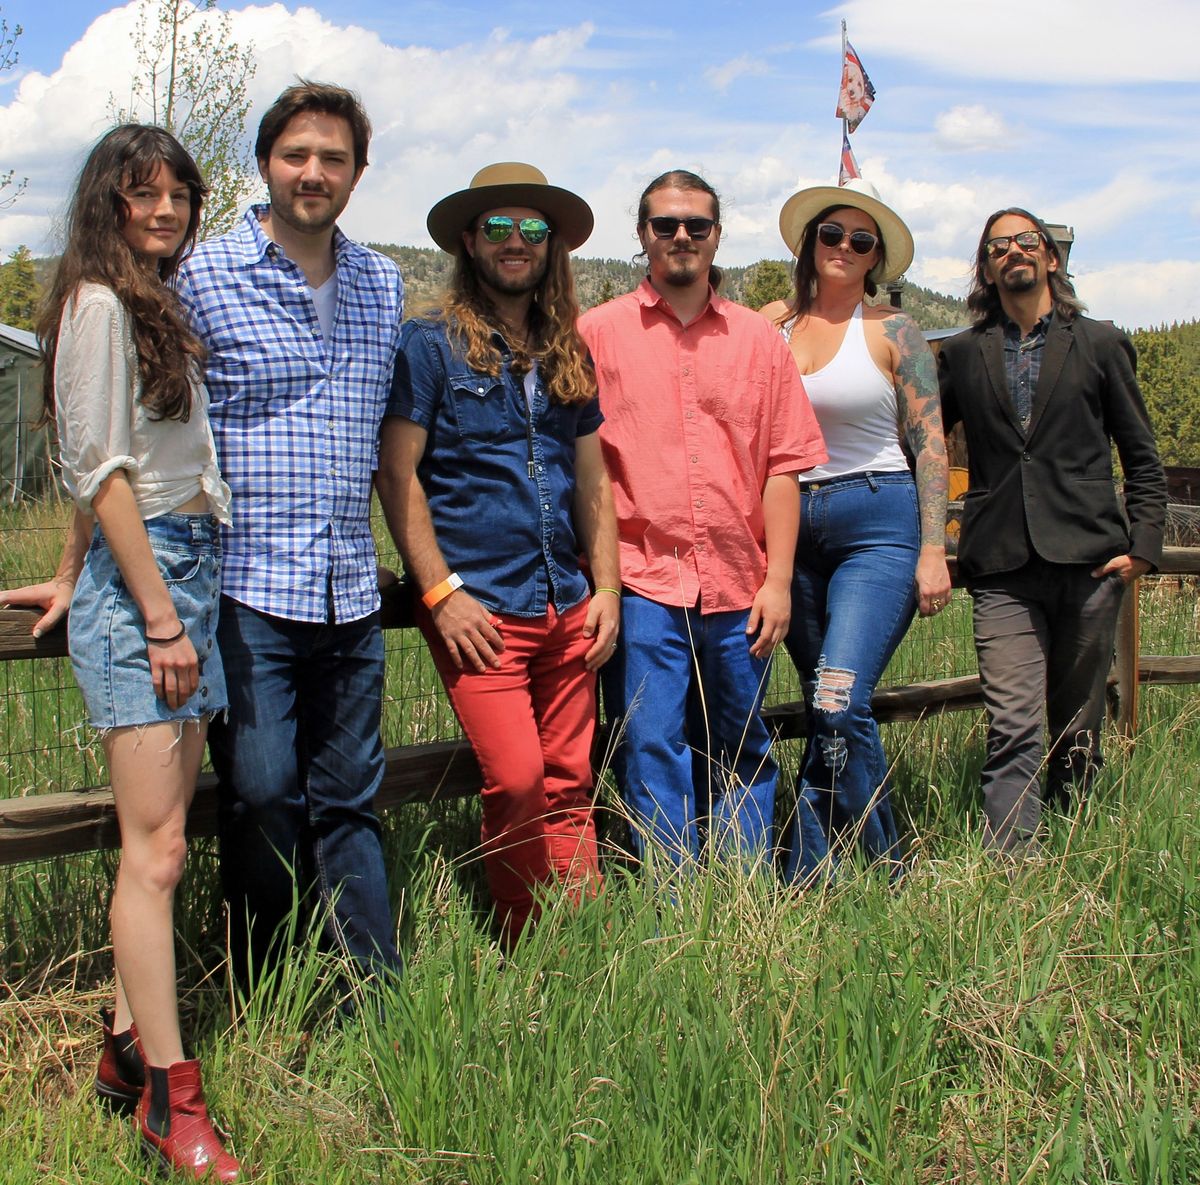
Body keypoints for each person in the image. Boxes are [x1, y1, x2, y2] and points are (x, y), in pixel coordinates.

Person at [0, 126, 240, 1179]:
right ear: (107, 203)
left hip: (181, 566)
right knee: (158, 855)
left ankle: (120, 1049)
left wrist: (72, 568)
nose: (167, 211)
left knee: (168, 837)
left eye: (180, 194)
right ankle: (169, 1104)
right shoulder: (97, 306)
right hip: (159, 588)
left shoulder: (148, 304)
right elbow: (99, 470)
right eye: (143, 196)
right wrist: (151, 615)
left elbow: (107, 461)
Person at [169, 81, 406, 988]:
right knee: (263, 793)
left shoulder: (381, 281)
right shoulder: (204, 277)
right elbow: (152, 431)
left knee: (350, 799)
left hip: (348, 587)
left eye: (334, 158)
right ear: (266, 163)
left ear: (357, 172)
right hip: (248, 587)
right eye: (297, 155)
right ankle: (267, 985)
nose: (314, 172)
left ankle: (372, 992)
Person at [378, 163, 620, 947]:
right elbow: (398, 473)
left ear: (553, 248)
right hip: (482, 607)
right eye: (500, 229)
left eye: (534, 231)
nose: (517, 244)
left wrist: (605, 590)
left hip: (565, 602)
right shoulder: (429, 344)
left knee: (571, 783)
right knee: (515, 779)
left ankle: (577, 937)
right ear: (468, 240)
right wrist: (441, 591)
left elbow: (592, 481)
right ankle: (523, 937)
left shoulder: (566, 350)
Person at [579, 169, 827, 871]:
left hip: (739, 579)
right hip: (642, 579)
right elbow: (580, 464)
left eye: (697, 225)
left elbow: (784, 465)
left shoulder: (757, 340)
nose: (682, 237)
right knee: (651, 739)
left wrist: (778, 579)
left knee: (743, 740)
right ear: (642, 236)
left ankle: (741, 892)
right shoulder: (596, 335)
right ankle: (675, 896)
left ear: (717, 236)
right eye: (666, 225)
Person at [937, 208, 1166, 853]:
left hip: (1090, 559)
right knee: (1013, 717)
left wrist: (1143, 546)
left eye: (1026, 242)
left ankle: (1080, 837)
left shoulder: (1099, 342)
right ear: (986, 267)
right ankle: (1012, 861)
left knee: (1077, 720)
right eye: (998, 246)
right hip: (1001, 562)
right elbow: (921, 445)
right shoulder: (961, 352)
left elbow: (1140, 454)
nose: (1013, 252)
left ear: (1051, 259)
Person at [761, 178, 951, 883]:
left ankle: (881, 865)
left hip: (878, 518)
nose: (844, 247)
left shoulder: (894, 332)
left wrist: (934, 547)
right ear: (809, 244)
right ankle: (823, 869)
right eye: (831, 235)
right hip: (790, 527)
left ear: (877, 259)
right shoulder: (771, 324)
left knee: (839, 695)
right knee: (825, 705)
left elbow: (931, 442)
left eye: (860, 241)